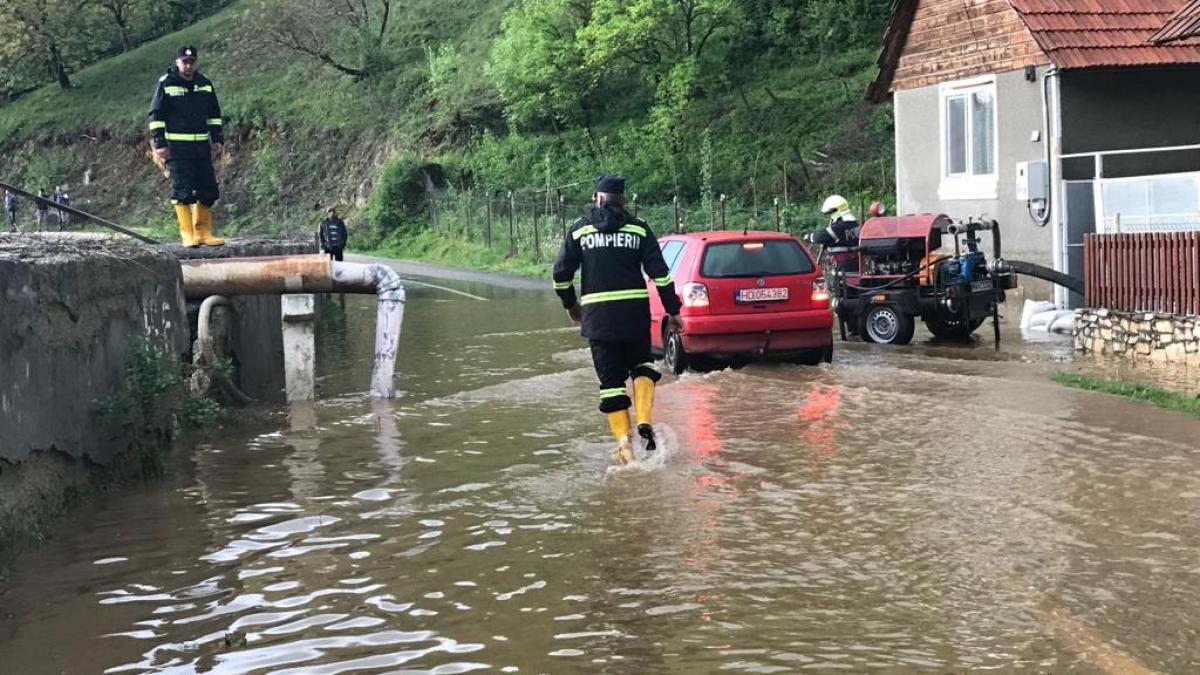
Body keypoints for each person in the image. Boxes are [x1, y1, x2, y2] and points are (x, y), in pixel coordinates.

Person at [552, 175, 683, 464]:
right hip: (634, 317)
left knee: (611, 382)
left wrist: (571, 306)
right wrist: (672, 310)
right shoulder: (639, 229)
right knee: (643, 366)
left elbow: (560, 275)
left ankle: (624, 442)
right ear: (623, 201)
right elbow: (660, 274)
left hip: (598, 321)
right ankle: (645, 419)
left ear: (597, 199)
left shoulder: (578, 231)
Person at [148, 45, 225, 247]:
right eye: (185, 62)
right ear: (177, 63)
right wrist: (159, 143)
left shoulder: (205, 84)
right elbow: (156, 115)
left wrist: (217, 139)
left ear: (196, 63)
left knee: (208, 190)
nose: (188, 66)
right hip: (177, 147)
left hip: (201, 147)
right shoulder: (167, 84)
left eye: (192, 62)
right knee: (182, 191)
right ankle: (187, 234)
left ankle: (203, 233)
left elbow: (214, 114)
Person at [809, 194, 859, 272]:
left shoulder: (838, 227)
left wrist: (810, 236)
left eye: (830, 213)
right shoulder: (854, 224)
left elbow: (820, 237)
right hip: (856, 263)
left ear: (836, 211)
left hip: (842, 266)